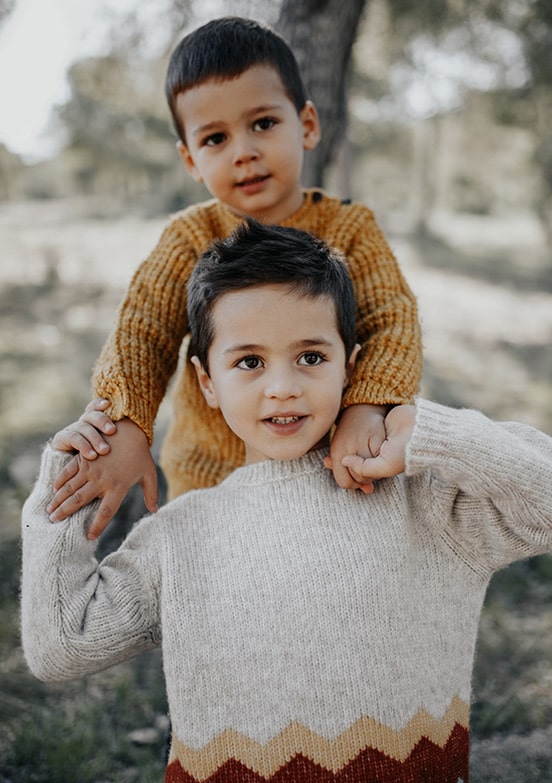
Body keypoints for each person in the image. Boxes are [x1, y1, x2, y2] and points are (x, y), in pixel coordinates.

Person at [22, 220, 552, 783]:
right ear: (205, 382)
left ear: (349, 365)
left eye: (309, 356)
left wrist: (428, 430)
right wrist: (68, 477)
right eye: (249, 362)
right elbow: (61, 648)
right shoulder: (180, 535)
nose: (282, 386)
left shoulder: (420, 502)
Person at [46, 15, 423, 540]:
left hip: (330, 470)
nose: (243, 150)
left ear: (307, 125)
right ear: (191, 160)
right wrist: (128, 421)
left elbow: (392, 323)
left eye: (263, 124)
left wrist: (367, 406)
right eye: (216, 138)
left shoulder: (349, 229)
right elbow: (143, 331)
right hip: (209, 482)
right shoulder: (188, 237)